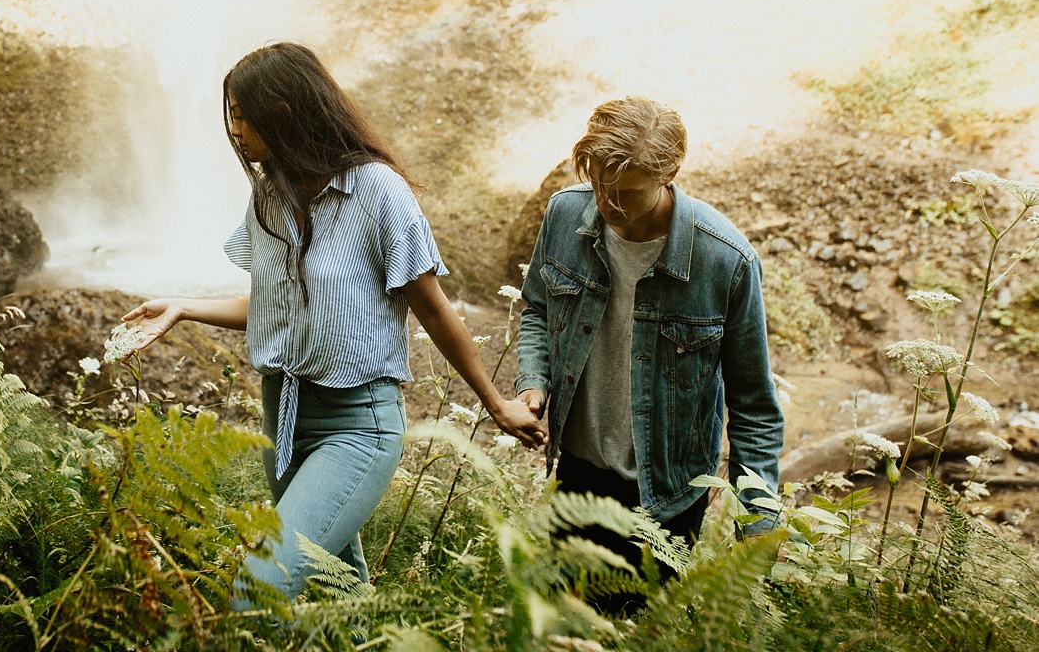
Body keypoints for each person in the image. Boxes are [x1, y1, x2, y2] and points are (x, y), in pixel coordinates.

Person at [115, 41, 543, 600]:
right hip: (284, 420)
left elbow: (434, 308)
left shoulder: (378, 191)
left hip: (356, 426)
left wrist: (495, 404)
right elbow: (271, 305)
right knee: (342, 597)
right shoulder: (268, 196)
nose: (236, 133)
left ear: (284, 113)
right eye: (233, 118)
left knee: (258, 590)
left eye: (243, 117)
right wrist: (181, 306)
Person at [515, 96, 783, 581]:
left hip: (668, 492)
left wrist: (759, 519)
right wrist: (534, 380)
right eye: (598, 183)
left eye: (627, 191)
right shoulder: (563, 215)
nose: (608, 203)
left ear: (670, 172)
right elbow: (536, 305)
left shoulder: (726, 261)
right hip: (577, 470)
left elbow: (754, 406)